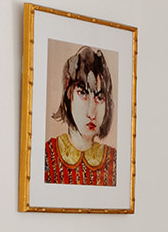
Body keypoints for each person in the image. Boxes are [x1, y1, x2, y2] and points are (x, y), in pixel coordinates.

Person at [44, 45, 117, 186]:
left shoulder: (114, 162)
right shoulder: (46, 155)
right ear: (69, 92)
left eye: (99, 98)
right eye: (82, 93)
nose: (91, 112)